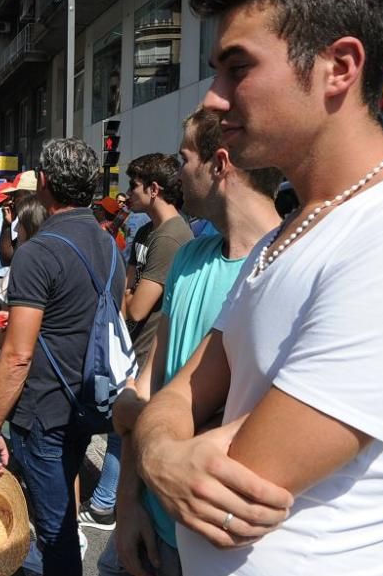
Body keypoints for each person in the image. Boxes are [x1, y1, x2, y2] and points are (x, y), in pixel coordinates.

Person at [134, 0, 383, 574]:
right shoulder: (286, 237)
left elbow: (237, 485)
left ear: (339, 67)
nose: (214, 99)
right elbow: (181, 390)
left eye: (236, 67)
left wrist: (156, 443)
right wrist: (161, 452)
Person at [98, 106, 282, 576]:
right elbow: (149, 383)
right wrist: (128, 501)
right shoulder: (190, 256)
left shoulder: (287, 266)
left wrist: (138, 415)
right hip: (154, 519)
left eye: (184, 160)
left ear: (219, 165)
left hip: (216, 537)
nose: (177, 174)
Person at [0, 139, 125, 575]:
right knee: (61, 509)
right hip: (88, 401)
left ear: (43, 182)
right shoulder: (109, 244)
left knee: (55, 534)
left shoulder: (38, 251)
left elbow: (18, 355)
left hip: (44, 409)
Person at [81, 153, 192, 531]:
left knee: (124, 430)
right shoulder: (147, 233)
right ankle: (109, 500)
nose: (127, 193)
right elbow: (124, 289)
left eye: (133, 185)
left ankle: (105, 504)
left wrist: (127, 294)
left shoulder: (174, 237)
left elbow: (138, 306)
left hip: (148, 350)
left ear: (154, 189)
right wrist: (127, 294)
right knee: (120, 425)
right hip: (130, 345)